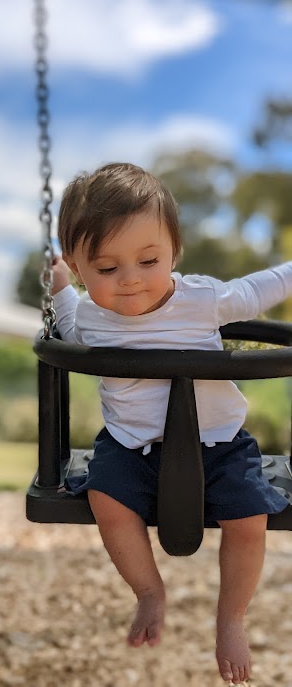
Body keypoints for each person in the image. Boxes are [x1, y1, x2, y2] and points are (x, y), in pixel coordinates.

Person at [51, 161, 292, 685]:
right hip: (131, 445)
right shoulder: (91, 316)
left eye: (148, 259)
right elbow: (66, 324)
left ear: (174, 252)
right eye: (107, 269)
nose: (131, 279)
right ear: (79, 264)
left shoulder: (203, 299)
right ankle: (148, 593)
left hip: (220, 442)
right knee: (105, 502)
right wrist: (59, 289)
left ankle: (230, 618)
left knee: (249, 523)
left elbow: (257, 289)